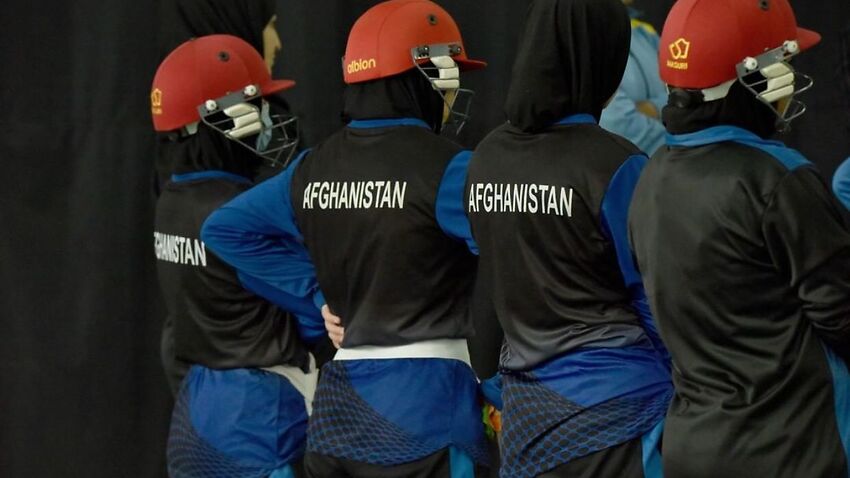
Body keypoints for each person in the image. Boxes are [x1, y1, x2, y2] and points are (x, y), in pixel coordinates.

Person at [201, 1, 491, 476]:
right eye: (448, 74)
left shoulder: (312, 168)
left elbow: (224, 229)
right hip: (431, 407)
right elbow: (510, 257)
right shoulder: (449, 168)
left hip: (339, 415)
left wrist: (315, 297)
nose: (453, 90)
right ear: (423, 72)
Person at [628, 0, 850, 476]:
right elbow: (842, 311)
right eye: (784, 63)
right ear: (757, 77)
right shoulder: (777, 179)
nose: (790, 77)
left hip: (692, 447)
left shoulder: (650, 179)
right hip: (792, 451)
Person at [465, 1, 672, 477]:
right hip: (625, 414)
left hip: (527, 418)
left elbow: (490, 287)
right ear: (604, 58)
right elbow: (655, 298)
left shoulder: (485, 157)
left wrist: (497, 383)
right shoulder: (618, 164)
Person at [151, 34, 319, 477]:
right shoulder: (241, 211)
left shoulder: (170, 200)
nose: (268, 117)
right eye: (258, 105)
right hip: (260, 419)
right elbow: (316, 314)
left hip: (195, 412)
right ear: (220, 116)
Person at [155, 0, 293, 390]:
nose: (279, 42)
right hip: (252, 393)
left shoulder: (177, 186)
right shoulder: (226, 200)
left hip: (199, 386)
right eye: (271, 26)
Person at [599, 0, 667, 155]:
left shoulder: (644, 31)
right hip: (619, 171)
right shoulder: (586, 34)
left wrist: (652, 107)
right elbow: (617, 124)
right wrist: (679, 150)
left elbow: (681, 98)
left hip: (664, 167)